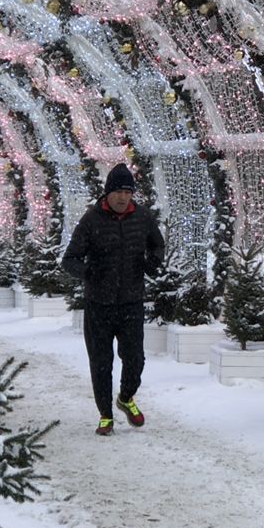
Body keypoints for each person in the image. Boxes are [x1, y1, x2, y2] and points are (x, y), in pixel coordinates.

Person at [62, 163, 165, 435]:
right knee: (101, 362)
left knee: (135, 359)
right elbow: (69, 259)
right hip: (99, 305)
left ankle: (126, 398)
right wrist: (88, 273)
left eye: (127, 192)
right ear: (107, 193)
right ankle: (105, 415)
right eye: (118, 192)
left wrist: (152, 262)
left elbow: (157, 244)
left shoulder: (142, 218)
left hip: (131, 301)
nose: (122, 197)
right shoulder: (91, 220)